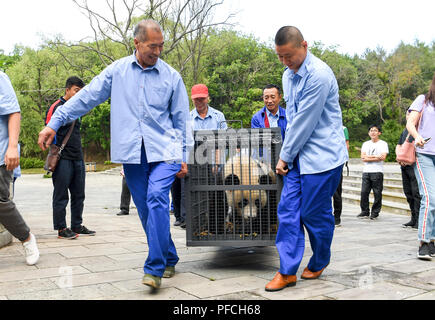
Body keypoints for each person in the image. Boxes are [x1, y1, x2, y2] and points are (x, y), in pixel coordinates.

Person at [38, 20, 191, 289]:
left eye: (161, 46)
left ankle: (153, 269)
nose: (157, 51)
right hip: (133, 154)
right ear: (137, 43)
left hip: (165, 151)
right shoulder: (117, 71)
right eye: (152, 46)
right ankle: (169, 256)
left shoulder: (171, 77)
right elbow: (85, 98)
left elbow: (182, 120)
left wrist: (185, 156)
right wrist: (54, 122)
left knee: (156, 198)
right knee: (145, 209)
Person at [265, 26, 348, 292]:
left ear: (304, 45)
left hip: (323, 157)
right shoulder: (287, 76)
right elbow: (294, 118)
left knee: (314, 213)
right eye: (280, 57)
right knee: (288, 212)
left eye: (288, 56)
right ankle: (287, 271)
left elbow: (304, 122)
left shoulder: (320, 76)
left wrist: (283, 156)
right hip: (299, 157)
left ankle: (321, 257)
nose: (285, 62)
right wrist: (290, 156)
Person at [45, 76, 95, 240]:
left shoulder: (78, 109)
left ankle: (76, 225)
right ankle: (61, 228)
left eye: (81, 91)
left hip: (78, 157)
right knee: (61, 194)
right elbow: (49, 130)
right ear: (67, 90)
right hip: (62, 157)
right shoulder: (56, 107)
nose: (79, 94)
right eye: (76, 91)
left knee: (79, 193)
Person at [0, 71, 39, 265]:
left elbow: (13, 112)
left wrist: (13, 147)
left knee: (0, 202)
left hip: (0, 152)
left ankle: (26, 238)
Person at [406, 73, 435, 260]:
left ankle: (433, 240)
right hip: (425, 154)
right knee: (430, 197)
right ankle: (423, 242)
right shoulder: (423, 100)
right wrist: (417, 137)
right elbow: (410, 122)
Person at [357, 125, 389, 220]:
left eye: (375, 130)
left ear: (379, 133)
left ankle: (375, 212)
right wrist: (376, 157)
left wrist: (369, 157)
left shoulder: (383, 144)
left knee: (377, 193)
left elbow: (383, 157)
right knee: (364, 192)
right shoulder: (365, 144)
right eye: (371, 130)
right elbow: (363, 158)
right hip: (366, 172)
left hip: (377, 172)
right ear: (368, 133)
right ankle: (365, 211)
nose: (373, 132)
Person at [397, 111, 421, 229]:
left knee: (416, 193)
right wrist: (399, 157)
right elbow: (399, 145)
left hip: (415, 166)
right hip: (404, 165)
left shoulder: (420, 129)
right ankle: (413, 218)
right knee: (408, 193)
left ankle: (419, 220)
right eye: (407, 114)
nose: (408, 116)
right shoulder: (405, 131)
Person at [332, 126, 350, 227]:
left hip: (337, 162)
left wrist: (344, 158)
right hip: (323, 163)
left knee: (336, 192)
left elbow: (346, 144)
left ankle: (337, 216)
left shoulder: (343, 128)